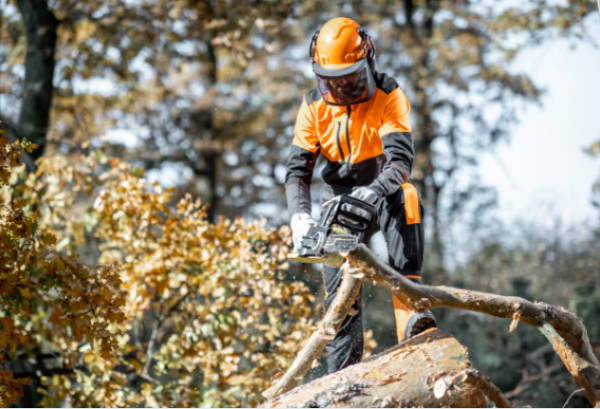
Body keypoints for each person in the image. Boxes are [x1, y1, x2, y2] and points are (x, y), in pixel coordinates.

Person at [284, 17, 436, 374]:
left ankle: (413, 316)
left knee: (407, 198)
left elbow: (399, 163)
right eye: (332, 80)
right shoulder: (312, 107)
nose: (341, 88)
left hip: (382, 190)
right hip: (337, 199)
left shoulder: (388, 94)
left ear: (367, 61)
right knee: (341, 299)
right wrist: (299, 216)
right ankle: (343, 381)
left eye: (350, 78)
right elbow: (297, 172)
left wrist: (372, 191)